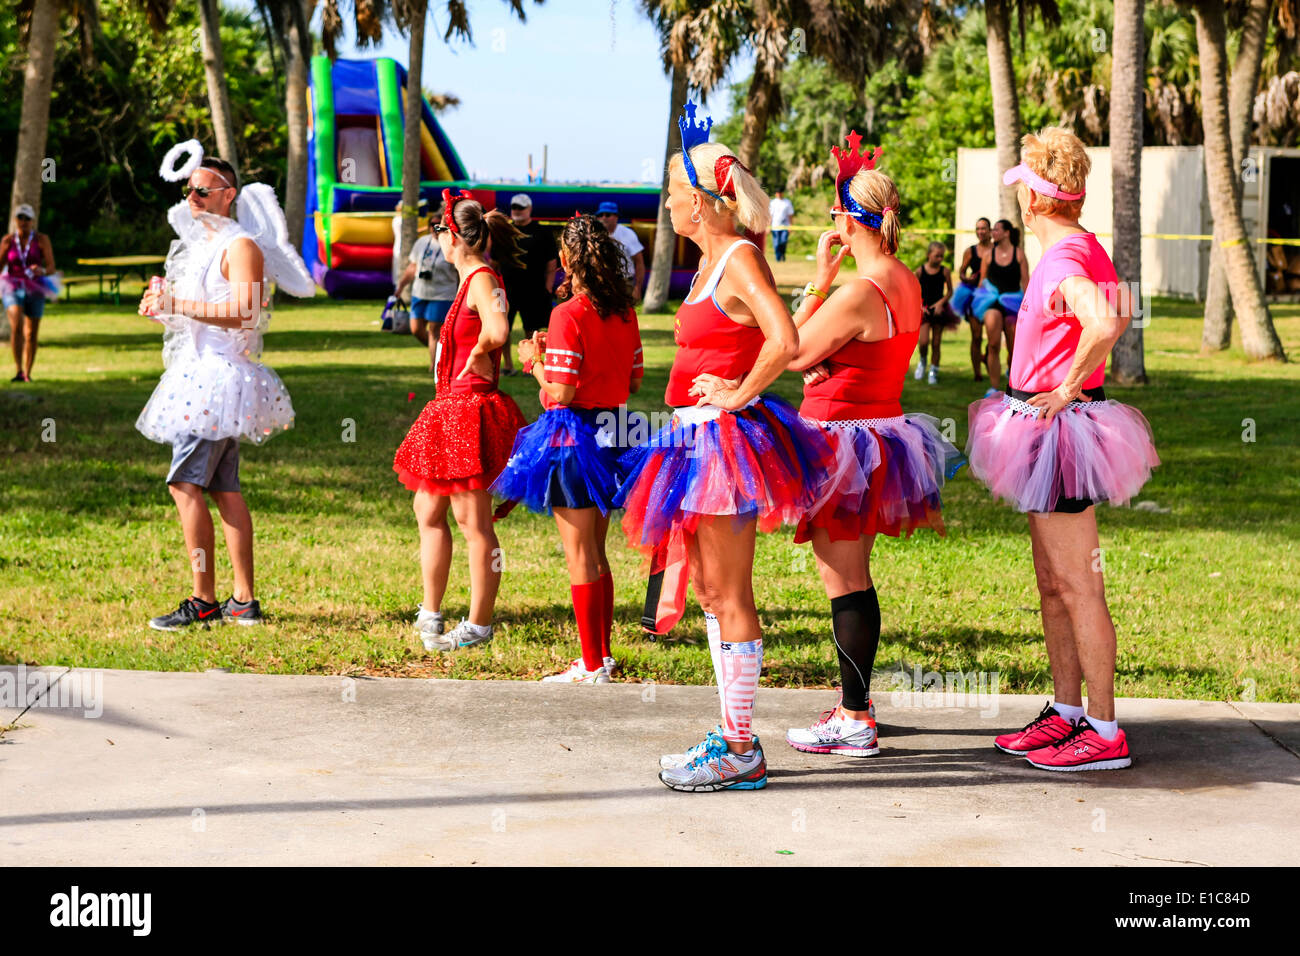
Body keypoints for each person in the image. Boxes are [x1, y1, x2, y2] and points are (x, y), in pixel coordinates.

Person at [616, 102, 835, 792]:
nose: (670, 204)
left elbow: (786, 340)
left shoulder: (737, 257)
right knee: (710, 590)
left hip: (723, 443)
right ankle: (732, 736)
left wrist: (738, 394)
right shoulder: (713, 258)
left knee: (730, 592)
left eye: (677, 195)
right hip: (694, 437)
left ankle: (741, 749)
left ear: (706, 205)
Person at [966, 127, 1160, 772]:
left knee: (1079, 585)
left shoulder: (1066, 258)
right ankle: (1068, 713)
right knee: (1054, 584)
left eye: (1023, 187)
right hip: (1041, 428)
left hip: (1059, 430)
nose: (1019, 201)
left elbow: (1104, 321)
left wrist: (1068, 386)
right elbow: (1121, 310)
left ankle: (1104, 732)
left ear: (1039, 200)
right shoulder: (1082, 247)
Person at [781, 135, 961, 757]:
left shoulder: (858, 290)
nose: (829, 221)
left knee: (844, 582)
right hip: (877, 436)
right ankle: (856, 707)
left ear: (846, 220)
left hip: (839, 445)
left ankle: (854, 718)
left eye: (833, 213)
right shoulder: (903, 280)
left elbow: (790, 349)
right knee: (856, 578)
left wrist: (819, 281)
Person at [136, 154, 313, 630]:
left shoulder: (241, 245)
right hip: (201, 376)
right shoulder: (203, 246)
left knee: (184, 484)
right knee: (223, 487)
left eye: (202, 191)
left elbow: (245, 312)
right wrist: (162, 305)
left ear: (229, 196)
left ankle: (204, 599)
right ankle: (243, 601)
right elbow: (198, 311)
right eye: (188, 190)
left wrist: (180, 303)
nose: (191, 198)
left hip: (217, 381)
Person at [493, 214, 644, 683]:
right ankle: (603, 656)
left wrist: (533, 360)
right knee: (597, 554)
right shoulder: (623, 311)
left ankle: (591, 664)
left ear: (564, 261)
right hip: (615, 432)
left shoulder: (566, 314)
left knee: (579, 557)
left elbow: (560, 393)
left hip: (573, 435)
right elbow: (634, 379)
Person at [393, 189, 528, 652]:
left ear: (454, 237)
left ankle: (478, 623)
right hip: (450, 408)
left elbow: (499, 329)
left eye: (439, 232)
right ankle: (430, 612)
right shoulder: (469, 278)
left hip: (469, 410)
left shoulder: (483, 278)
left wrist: (480, 349)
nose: (437, 241)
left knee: (474, 523)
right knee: (427, 510)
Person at [395, 211, 458, 371]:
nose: (435, 229)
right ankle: (440, 353)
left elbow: (459, 271)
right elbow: (413, 266)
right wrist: (401, 286)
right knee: (416, 329)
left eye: (439, 226)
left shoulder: (451, 245)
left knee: (434, 331)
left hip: (442, 293)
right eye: (432, 225)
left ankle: (434, 365)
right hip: (420, 292)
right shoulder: (422, 242)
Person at [502, 193, 558, 374]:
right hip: (507, 289)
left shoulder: (542, 232)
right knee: (503, 329)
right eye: (514, 208)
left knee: (532, 330)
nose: (517, 211)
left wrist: (549, 286)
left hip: (534, 289)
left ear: (529, 209)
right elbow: (494, 260)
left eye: (521, 208)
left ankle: (531, 366)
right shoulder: (504, 231)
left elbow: (552, 262)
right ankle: (508, 365)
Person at [1, 204, 56, 382]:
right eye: (20, 218)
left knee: (31, 333)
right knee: (16, 325)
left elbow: (51, 267)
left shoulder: (41, 240)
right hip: (13, 286)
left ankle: (27, 372)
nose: (23, 222)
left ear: (33, 221)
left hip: (35, 287)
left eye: (27, 218)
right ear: (15, 220)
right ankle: (18, 370)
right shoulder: (8, 241)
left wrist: (41, 270)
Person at [977, 218, 1028, 393]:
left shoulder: (1019, 254)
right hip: (993, 302)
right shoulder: (988, 255)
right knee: (993, 344)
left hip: (1013, 302)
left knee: (1014, 349)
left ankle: (1012, 381)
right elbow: (982, 281)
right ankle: (994, 387)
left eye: (997, 230)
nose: (993, 233)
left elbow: (1026, 282)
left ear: (1007, 233)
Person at [952, 217, 993, 381]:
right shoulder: (971, 251)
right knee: (976, 336)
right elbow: (961, 272)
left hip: (992, 296)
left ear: (990, 230)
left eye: (983, 228)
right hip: (974, 295)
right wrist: (966, 278)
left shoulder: (997, 249)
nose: (980, 232)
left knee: (993, 337)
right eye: (978, 229)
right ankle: (977, 374)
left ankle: (987, 357)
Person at [913, 240, 958, 385]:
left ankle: (934, 370)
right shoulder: (920, 271)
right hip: (924, 309)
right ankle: (922, 360)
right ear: (928, 255)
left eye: (941, 256)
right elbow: (913, 291)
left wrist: (940, 303)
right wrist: (920, 306)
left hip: (939, 310)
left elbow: (950, 291)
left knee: (936, 342)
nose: (940, 259)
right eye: (937, 256)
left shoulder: (944, 271)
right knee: (924, 341)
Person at [594, 201, 646, 303]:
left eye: (608, 214)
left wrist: (638, 287)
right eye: (600, 215)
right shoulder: (595, 234)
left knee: (626, 316)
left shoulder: (628, 234)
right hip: (602, 283)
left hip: (624, 283)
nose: (603, 218)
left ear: (616, 217)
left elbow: (639, 262)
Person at [769, 189, 795, 262]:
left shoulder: (787, 202)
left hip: (785, 227)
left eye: (780, 193)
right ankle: (778, 258)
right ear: (775, 194)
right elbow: (770, 216)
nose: (779, 194)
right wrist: (768, 226)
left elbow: (790, 215)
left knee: (783, 242)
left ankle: (782, 254)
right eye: (777, 193)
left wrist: (790, 225)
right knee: (776, 243)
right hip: (775, 226)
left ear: (782, 193)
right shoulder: (773, 203)